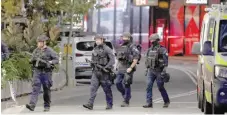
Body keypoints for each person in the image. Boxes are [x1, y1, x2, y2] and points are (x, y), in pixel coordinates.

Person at [26, 35, 59, 112]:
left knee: (46, 89)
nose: (39, 44)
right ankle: (32, 105)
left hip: (46, 72)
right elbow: (31, 59)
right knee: (35, 88)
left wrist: (49, 62)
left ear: (44, 42)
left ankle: (47, 106)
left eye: (40, 42)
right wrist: (31, 60)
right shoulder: (36, 50)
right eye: (38, 42)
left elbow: (56, 60)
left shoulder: (50, 51)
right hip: (37, 71)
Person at [83, 35, 115, 110]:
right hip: (96, 72)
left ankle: (109, 104)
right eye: (96, 40)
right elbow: (93, 59)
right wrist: (92, 64)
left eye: (98, 40)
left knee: (107, 90)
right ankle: (90, 104)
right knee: (93, 88)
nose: (97, 41)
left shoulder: (107, 49)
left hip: (104, 73)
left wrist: (106, 67)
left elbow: (112, 60)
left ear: (102, 40)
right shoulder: (95, 49)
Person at [143, 33, 170, 108]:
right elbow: (147, 60)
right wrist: (146, 69)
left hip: (159, 71)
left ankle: (166, 101)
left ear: (157, 40)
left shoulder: (163, 49)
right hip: (151, 71)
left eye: (153, 40)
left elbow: (165, 62)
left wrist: (164, 71)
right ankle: (149, 103)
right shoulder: (149, 49)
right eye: (151, 40)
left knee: (160, 87)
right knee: (148, 86)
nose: (152, 41)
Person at [116, 32, 140, 107]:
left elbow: (136, 58)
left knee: (126, 84)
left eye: (125, 37)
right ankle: (125, 94)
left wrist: (131, 67)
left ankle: (126, 101)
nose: (124, 39)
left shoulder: (132, 46)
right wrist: (117, 65)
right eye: (123, 37)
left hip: (128, 68)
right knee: (117, 83)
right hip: (121, 67)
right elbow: (119, 58)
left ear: (129, 38)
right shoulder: (121, 46)